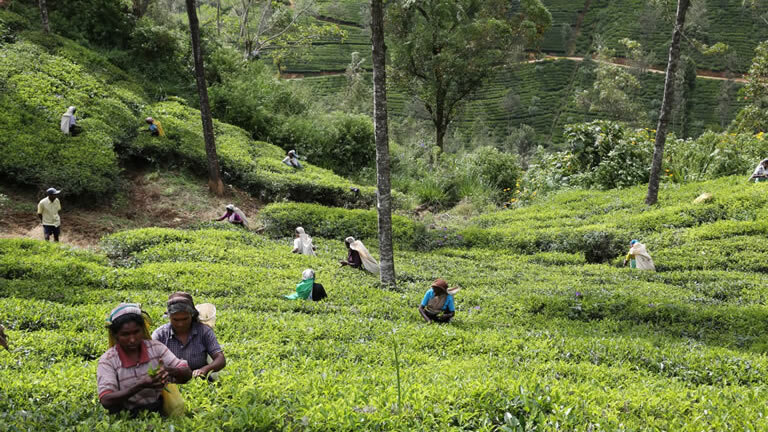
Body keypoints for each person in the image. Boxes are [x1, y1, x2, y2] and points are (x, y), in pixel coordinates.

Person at [97, 303, 192, 415]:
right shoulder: (108, 360)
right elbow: (106, 400)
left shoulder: (156, 348)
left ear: (142, 330)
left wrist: (170, 370)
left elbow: (187, 373)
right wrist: (140, 385)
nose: (132, 339)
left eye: (136, 332)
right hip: (124, 417)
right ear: (116, 335)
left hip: (157, 412)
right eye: (125, 334)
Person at [152, 292, 226, 380]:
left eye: (185, 319)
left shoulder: (204, 331)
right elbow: (149, 363)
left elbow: (220, 359)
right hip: (170, 382)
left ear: (192, 315)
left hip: (199, 381)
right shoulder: (160, 335)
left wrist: (205, 369)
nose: (180, 324)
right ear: (169, 316)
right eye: (175, 319)